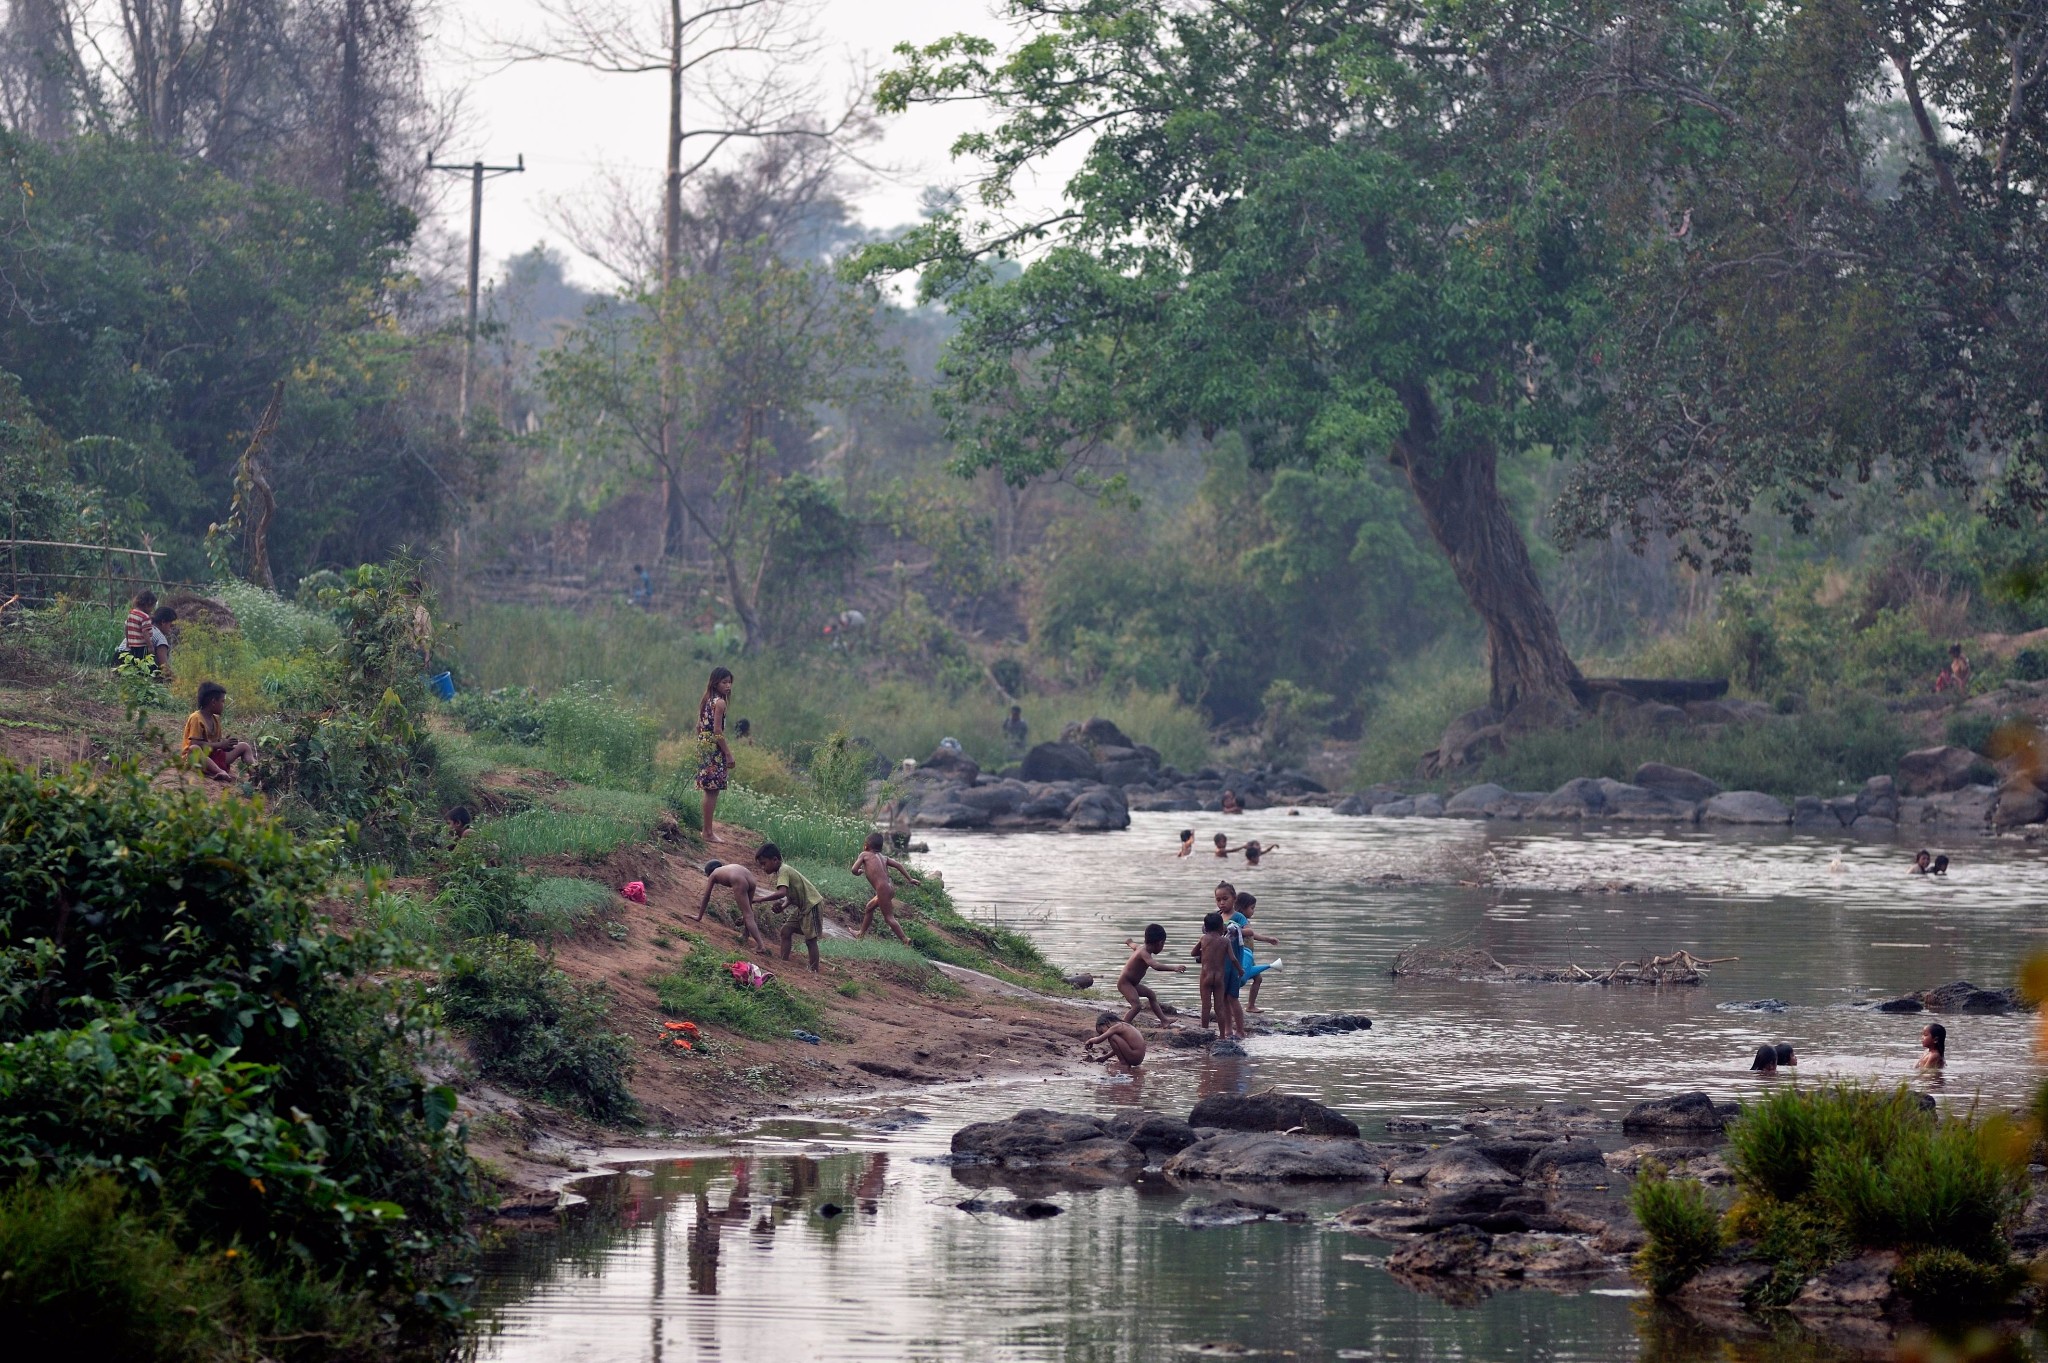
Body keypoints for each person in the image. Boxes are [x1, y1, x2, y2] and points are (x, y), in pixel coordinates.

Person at [754, 842, 825, 973]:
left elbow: (781, 892)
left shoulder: (783, 870)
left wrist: (760, 899)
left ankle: (814, 970)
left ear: (775, 860)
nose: (763, 868)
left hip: (812, 904)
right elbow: (791, 895)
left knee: (810, 940)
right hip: (803, 907)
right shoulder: (782, 871)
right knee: (785, 931)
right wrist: (783, 906)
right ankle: (783, 961)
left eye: (764, 863)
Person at [692, 859, 777, 953]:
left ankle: (760, 946)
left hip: (738, 879)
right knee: (748, 910)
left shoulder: (714, 874)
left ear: (709, 872)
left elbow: (706, 896)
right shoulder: (726, 868)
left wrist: (699, 916)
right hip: (751, 879)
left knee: (747, 914)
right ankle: (745, 934)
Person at [852, 831, 921, 945]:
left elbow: (854, 870)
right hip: (890, 888)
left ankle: (905, 939)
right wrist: (910, 879)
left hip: (883, 890)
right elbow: (899, 865)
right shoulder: (884, 857)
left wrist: (859, 872)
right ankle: (860, 934)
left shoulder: (864, 854)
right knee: (869, 907)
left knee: (889, 917)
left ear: (866, 845)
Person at [181, 681, 255, 781]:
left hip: (213, 757)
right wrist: (220, 745)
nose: (223, 705)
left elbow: (216, 744)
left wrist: (226, 746)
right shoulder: (196, 718)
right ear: (213, 702)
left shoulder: (216, 719)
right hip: (196, 759)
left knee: (244, 746)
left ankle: (255, 775)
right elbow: (196, 743)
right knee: (194, 748)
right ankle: (220, 771)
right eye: (222, 701)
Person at [1116, 924, 1187, 1025]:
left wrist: (1129, 942)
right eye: (1163, 944)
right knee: (1136, 1006)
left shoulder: (1141, 948)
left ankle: (1164, 1020)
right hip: (1125, 983)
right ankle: (1123, 1026)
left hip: (1132, 984)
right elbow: (1156, 965)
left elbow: (1134, 946)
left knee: (1151, 995)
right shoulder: (1144, 953)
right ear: (1159, 943)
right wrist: (1174, 968)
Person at [696, 667, 735, 841]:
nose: (728, 686)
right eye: (724, 682)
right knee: (712, 791)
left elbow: (699, 727)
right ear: (715, 683)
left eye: (730, 682)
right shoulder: (720, 703)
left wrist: (702, 746)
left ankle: (706, 830)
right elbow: (717, 730)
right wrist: (727, 753)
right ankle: (708, 832)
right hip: (714, 749)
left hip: (704, 746)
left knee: (708, 790)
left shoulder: (706, 700)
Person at [1235, 892, 1283, 1013]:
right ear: (1242, 907)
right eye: (1252, 908)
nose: (1253, 911)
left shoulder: (1245, 921)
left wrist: (1267, 939)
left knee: (1258, 978)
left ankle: (1250, 1005)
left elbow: (1252, 935)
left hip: (1249, 956)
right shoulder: (1238, 919)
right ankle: (1233, 1005)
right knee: (1237, 980)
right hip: (1241, 955)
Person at [1196, 910, 1232, 1035]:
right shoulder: (1225, 941)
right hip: (1219, 978)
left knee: (1206, 1007)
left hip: (1206, 977)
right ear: (1221, 927)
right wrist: (1240, 970)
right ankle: (1222, 1036)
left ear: (1205, 927)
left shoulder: (1204, 938)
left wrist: (1203, 952)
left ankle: (1204, 1032)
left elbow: (1193, 953)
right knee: (1219, 1008)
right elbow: (1232, 958)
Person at [1084, 1011, 1148, 1067]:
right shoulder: (1123, 1026)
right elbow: (1121, 1049)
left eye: (1102, 1032)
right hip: (1137, 1058)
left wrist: (1090, 1040)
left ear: (1105, 1023)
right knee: (1113, 1037)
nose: (1103, 1034)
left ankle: (1123, 1063)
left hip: (1134, 1056)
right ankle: (1123, 1062)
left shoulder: (1117, 1027)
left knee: (1112, 1037)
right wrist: (1105, 1057)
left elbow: (1098, 1040)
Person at [119, 589, 157, 666]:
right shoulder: (145, 617)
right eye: (152, 606)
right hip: (142, 646)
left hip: (133, 645)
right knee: (144, 664)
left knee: (135, 662)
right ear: (147, 604)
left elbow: (126, 627)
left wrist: (128, 641)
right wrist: (150, 646)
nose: (152, 609)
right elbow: (145, 632)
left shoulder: (132, 613)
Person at [148, 605, 177, 677]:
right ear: (163, 622)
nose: (171, 629)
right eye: (171, 625)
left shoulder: (145, 627)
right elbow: (164, 667)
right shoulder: (160, 638)